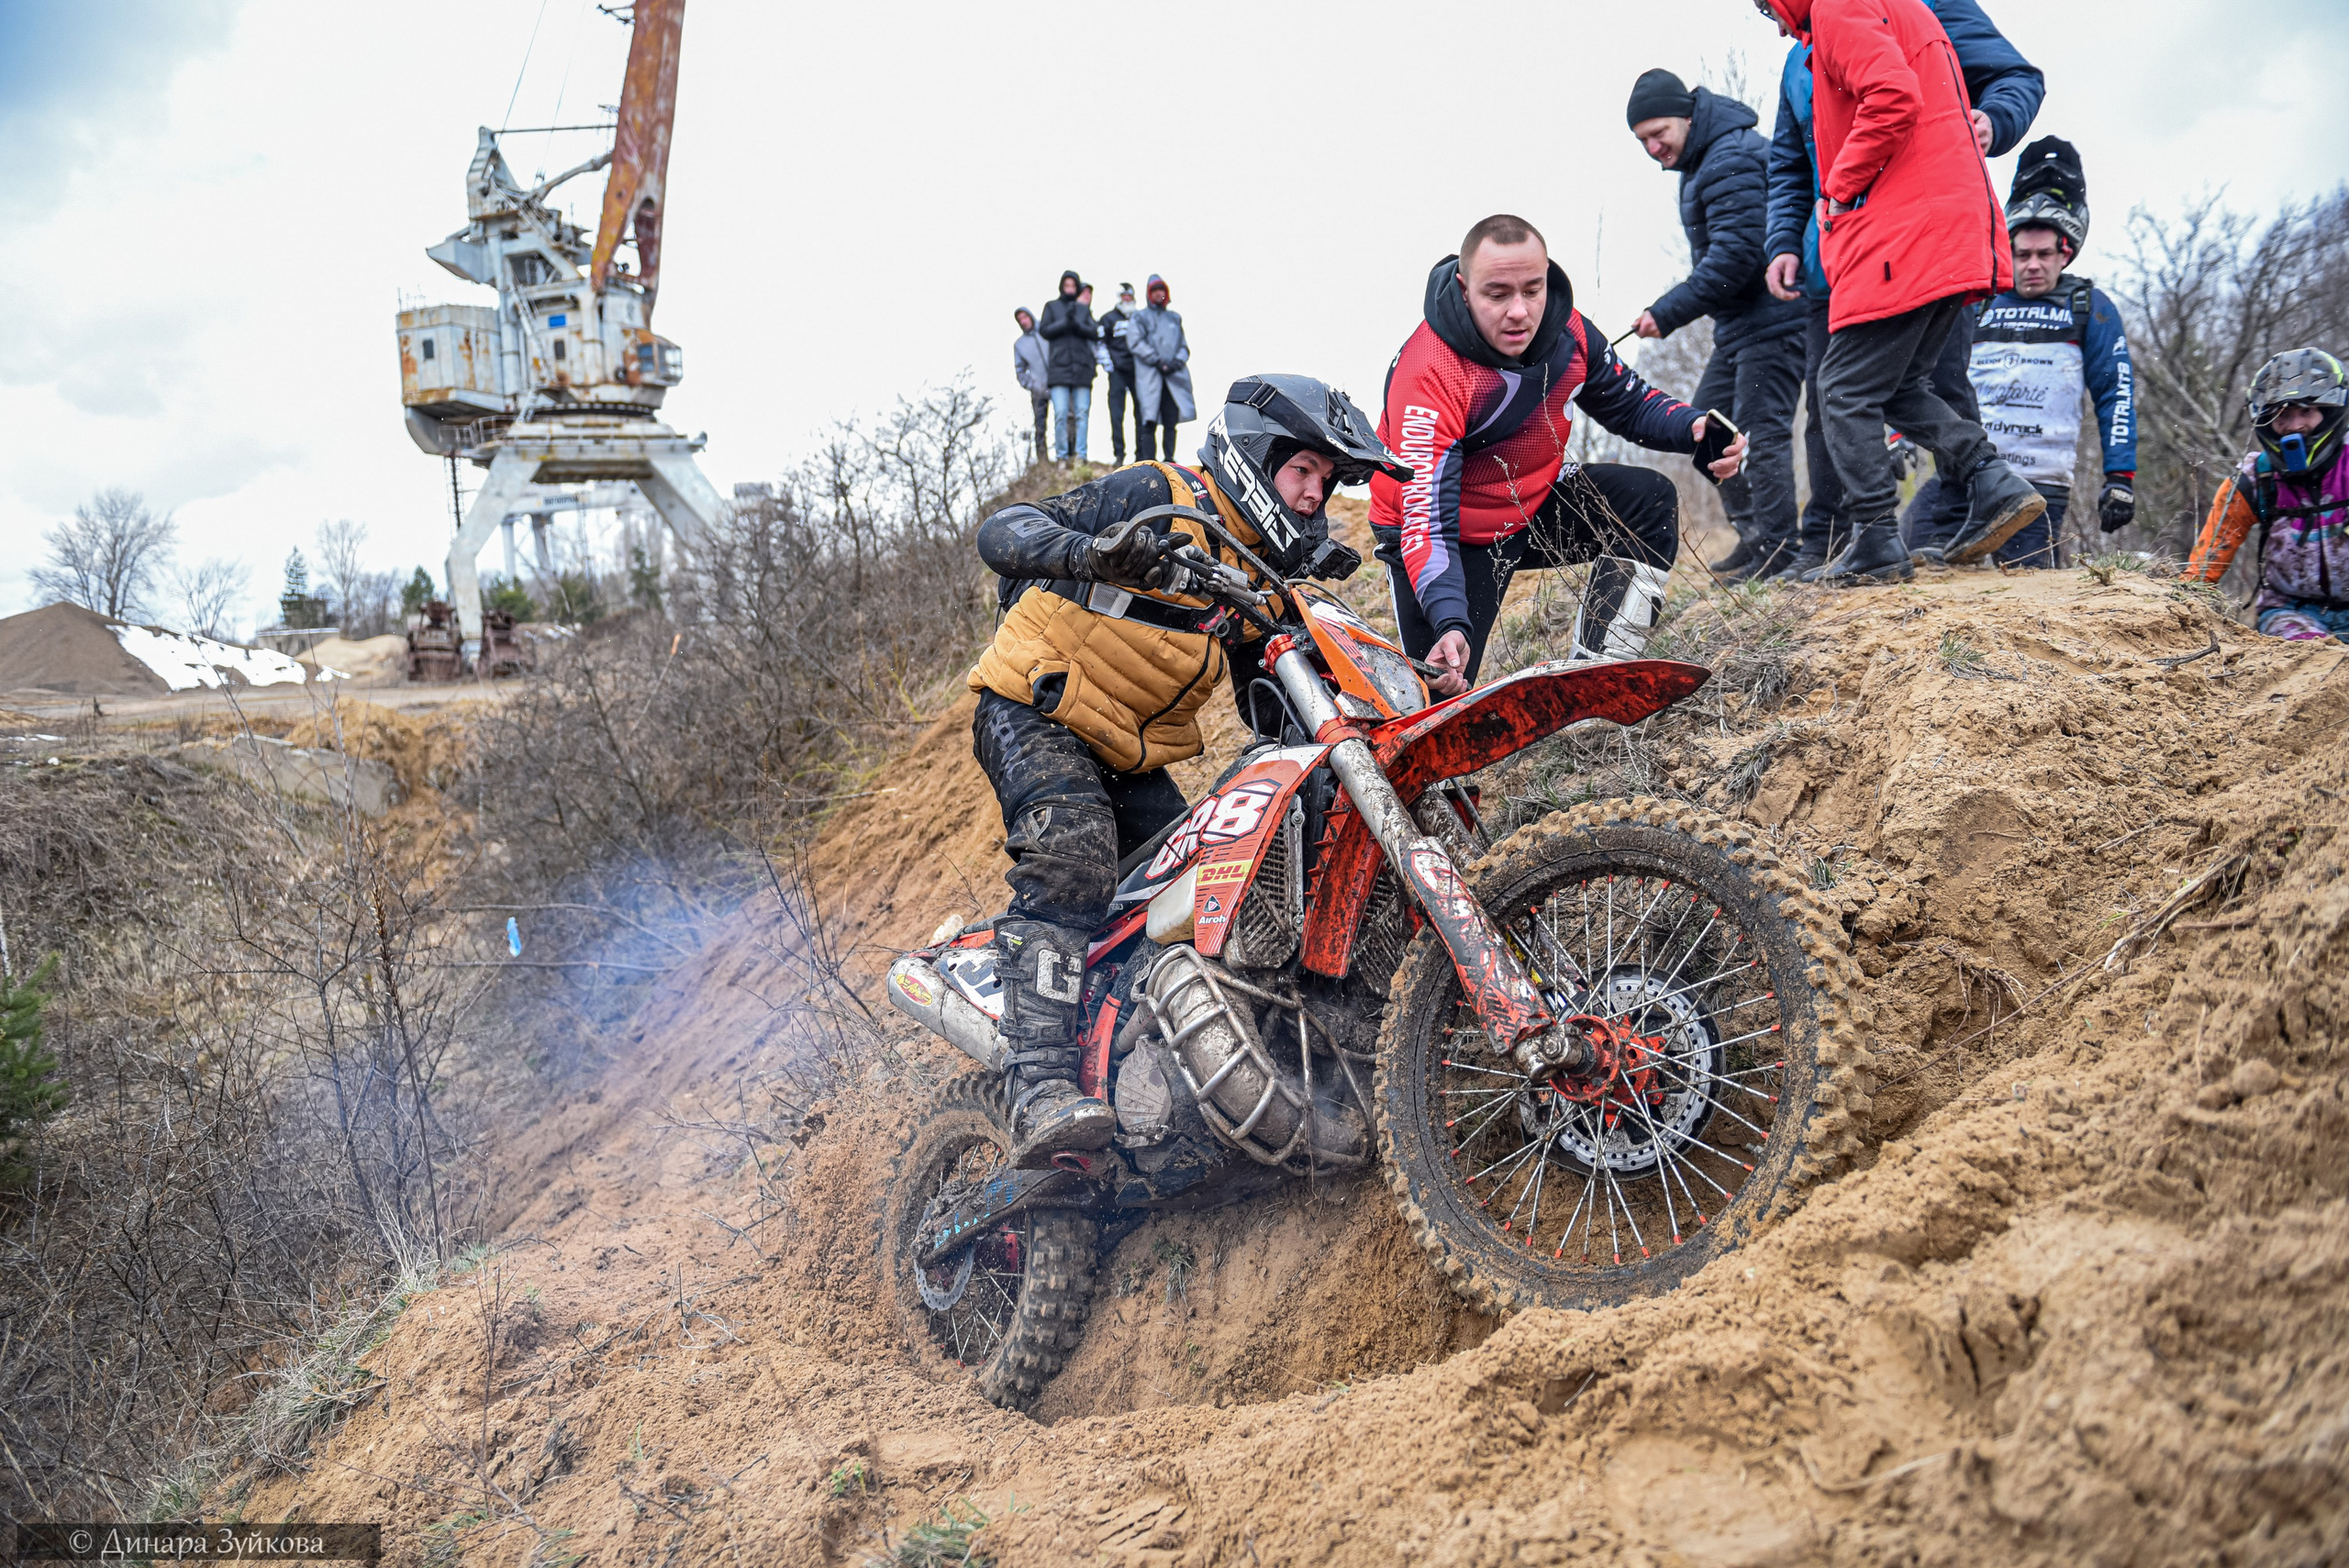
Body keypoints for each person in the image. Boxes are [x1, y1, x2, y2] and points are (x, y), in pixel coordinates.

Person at [965, 375, 1408, 1164]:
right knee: (1072, 853)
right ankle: (1037, 1086)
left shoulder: (1246, 583)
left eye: (1327, 483)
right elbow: (1003, 530)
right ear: (1254, 458)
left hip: (1126, 754)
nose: (1312, 498)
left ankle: (1150, 1072)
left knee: (1198, 887)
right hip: (1030, 709)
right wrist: (1091, 550)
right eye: (1301, 473)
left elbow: (1268, 706)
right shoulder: (1159, 495)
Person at [1371, 215, 1746, 693]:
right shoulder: (1431, 370)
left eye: (1532, 289)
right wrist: (1448, 619)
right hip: (1441, 536)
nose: (1519, 312)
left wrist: (1690, 427)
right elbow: (1425, 517)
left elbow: (1627, 402)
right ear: (1465, 290)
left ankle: (1594, 679)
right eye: (1498, 294)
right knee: (1437, 697)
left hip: (1528, 507)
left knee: (1646, 499)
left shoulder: (1569, 331)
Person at [1751, 0, 2044, 585]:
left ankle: (1877, 538)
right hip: (1949, 224)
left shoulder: (1839, 7)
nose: (1776, 24)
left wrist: (1839, 188)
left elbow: (1893, 95)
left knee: (1841, 389)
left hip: (1903, 230)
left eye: (1766, 7)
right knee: (1900, 385)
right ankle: (1992, 480)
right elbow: (1793, 155)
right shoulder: (1895, 9)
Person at [1628, 68, 1807, 582]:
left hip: (1776, 318)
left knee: (1764, 432)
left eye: (1658, 133)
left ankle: (1779, 550)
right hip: (1741, 326)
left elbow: (1737, 258)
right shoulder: (1704, 161)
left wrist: (1666, 312)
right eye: (1642, 140)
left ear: (1687, 116)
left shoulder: (1731, 158)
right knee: (1707, 432)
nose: (1653, 147)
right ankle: (1756, 540)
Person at [1930, 137, 2136, 568]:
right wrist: (1899, 437)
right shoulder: (1977, 299)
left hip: (2039, 489)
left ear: (2065, 253)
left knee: (2024, 603)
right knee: (1913, 575)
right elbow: (1931, 373)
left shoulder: (2090, 307)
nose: (2033, 265)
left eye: (2044, 254)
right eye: (2022, 254)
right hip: (1965, 478)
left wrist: (2120, 477)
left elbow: (2115, 394)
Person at [2183, 350, 2349, 643]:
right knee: (2311, 660)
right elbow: (2200, 574)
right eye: (2283, 414)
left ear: (2330, 411)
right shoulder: (2254, 480)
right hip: (2290, 612)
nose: (2295, 425)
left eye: (2306, 411)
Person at [1128, 275, 1194, 462]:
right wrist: (1156, 360)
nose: (1159, 293)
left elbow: (1183, 346)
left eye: (1161, 290)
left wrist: (1175, 363)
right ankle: (1149, 461)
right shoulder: (1140, 317)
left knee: (1170, 419)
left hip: (1173, 378)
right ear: (1149, 293)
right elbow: (1135, 342)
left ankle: (1169, 459)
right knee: (1148, 420)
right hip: (1150, 378)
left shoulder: (1174, 318)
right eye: (1155, 290)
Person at [1039, 270, 1097, 462]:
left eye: (1073, 286)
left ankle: (1081, 455)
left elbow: (1094, 331)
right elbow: (1045, 330)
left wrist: (1077, 325)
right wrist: (1066, 322)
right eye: (1067, 286)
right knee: (1061, 414)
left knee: (1082, 413)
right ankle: (1062, 457)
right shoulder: (1052, 307)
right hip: (1059, 370)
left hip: (1082, 370)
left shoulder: (1083, 309)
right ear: (1062, 287)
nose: (1070, 289)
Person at [1097, 283, 1141, 465]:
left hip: (1138, 372)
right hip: (1117, 372)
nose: (1126, 299)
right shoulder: (1107, 318)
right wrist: (1108, 364)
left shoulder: (1140, 318)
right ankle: (1119, 454)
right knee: (1116, 413)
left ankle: (1142, 454)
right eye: (1123, 296)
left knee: (1141, 413)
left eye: (1129, 296)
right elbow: (1100, 343)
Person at [1013, 306, 1051, 465]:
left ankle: (1068, 455)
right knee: (1040, 424)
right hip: (1038, 389)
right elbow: (1020, 371)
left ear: (1031, 316)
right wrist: (1032, 385)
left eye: (1025, 317)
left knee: (1065, 419)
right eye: (1020, 319)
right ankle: (1043, 461)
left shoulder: (1047, 330)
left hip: (1058, 383)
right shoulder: (1019, 345)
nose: (1023, 321)